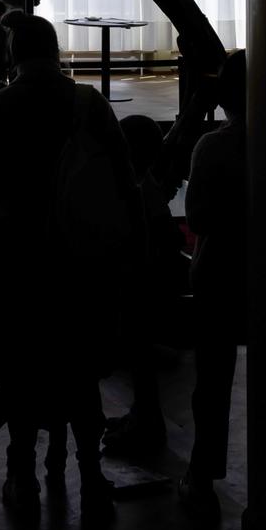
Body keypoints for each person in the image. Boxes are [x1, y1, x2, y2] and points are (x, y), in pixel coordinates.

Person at [0, 13, 130, 522]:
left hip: (16, 264)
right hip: (80, 262)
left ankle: (22, 473)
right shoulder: (90, 105)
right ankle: (91, 474)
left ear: (13, 55)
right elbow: (120, 181)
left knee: (22, 368)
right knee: (79, 373)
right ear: (56, 50)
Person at [181, 48, 248, 520]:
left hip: (219, 270)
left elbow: (198, 217)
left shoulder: (212, 147)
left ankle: (203, 472)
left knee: (212, 381)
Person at [102, 113, 181, 459]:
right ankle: (144, 418)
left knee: (139, 359)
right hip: (150, 282)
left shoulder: (132, 187)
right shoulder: (146, 184)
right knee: (140, 359)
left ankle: (147, 423)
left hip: (135, 281)